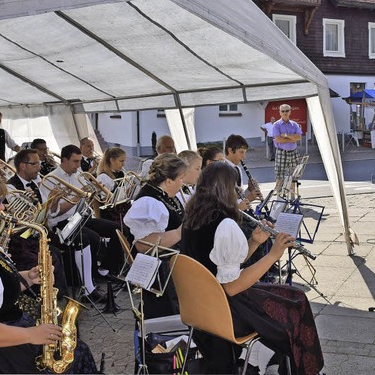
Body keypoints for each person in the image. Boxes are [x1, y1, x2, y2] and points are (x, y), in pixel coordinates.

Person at [180, 162, 324, 375]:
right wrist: (273, 255)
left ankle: (278, 364)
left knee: (291, 297)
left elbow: (223, 265)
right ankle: (304, 369)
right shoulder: (225, 224)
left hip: (203, 303)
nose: (238, 193)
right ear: (226, 189)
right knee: (297, 301)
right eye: (236, 188)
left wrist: (254, 242)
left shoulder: (194, 217)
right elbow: (232, 286)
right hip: (225, 308)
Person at [0, 169, 97, 373]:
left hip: (4, 334)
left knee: (77, 350)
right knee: (74, 357)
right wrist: (32, 335)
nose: (3, 208)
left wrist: (28, 277)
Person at [42, 145, 119, 302]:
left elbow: (87, 200)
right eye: (75, 161)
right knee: (85, 238)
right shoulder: (51, 179)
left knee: (114, 229)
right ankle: (88, 289)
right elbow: (52, 213)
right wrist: (76, 197)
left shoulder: (77, 174)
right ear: (64, 160)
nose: (78, 166)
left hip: (80, 217)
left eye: (79, 161)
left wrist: (94, 191)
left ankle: (100, 270)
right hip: (61, 223)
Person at [123, 154, 187, 319]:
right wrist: (181, 232)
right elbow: (143, 245)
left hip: (172, 265)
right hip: (162, 274)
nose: (183, 182)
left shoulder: (164, 196)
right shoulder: (149, 202)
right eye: (181, 178)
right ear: (168, 181)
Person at [5, 149, 69, 298]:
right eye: (34, 164)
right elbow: (21, 219)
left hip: (36, 232)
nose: (39, 167)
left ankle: (66, 293)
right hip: (21, 238)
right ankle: (56, 298)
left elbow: (48, 214)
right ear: (22, 166)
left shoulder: (36, 184)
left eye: (39, 163)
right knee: (54, 255)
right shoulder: (11, 188)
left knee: (65, 244)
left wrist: (53, 202)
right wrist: (39, 203)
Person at [224, 134, 260, 208]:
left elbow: (239, 196)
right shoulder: (222, 170)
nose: (244, 156)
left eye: (245, 152)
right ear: (230, 150)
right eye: (241, 152)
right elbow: (225, 201)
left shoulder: (237, 169)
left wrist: (249, 190)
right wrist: (248, 199)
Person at [272, 105, 303, 191]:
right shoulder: (276, 125)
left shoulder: (294, 124)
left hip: (293, 152)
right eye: (283, 111)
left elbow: (299, 137)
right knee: (279, 175)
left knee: (293, 176)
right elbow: (278, 139)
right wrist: (292, 139)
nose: (285, 113)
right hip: (282, 152)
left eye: (286, 111)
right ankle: (279, 198)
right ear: (280, 113)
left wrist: (286, 135)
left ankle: (292, 197)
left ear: (290, 112)